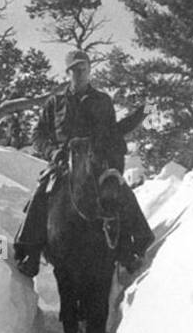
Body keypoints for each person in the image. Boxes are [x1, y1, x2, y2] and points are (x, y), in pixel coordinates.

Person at [13, 49, 155, 277]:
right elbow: (38, 134)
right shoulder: (55, 102)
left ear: (89, 71)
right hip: (62, 164)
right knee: (40, 195)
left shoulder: (102, 101)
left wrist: (145, 111)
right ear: (67, 73)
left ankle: (134, 248)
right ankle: (28, 252)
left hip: (95, 163)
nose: (79, 73)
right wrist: (53, 151)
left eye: (83, 69)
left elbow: (115, 131)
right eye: (74, 70)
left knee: (119, 191)